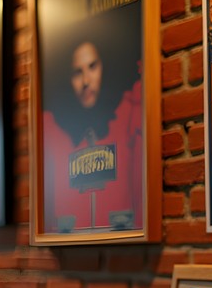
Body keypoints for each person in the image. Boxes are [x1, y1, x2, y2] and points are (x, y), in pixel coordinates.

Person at [41, 33, 143, 233]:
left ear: (104, 67)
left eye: (93, 67)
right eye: (77, 73)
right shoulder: (51, 128)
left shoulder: (129, 110)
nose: (86, 81)